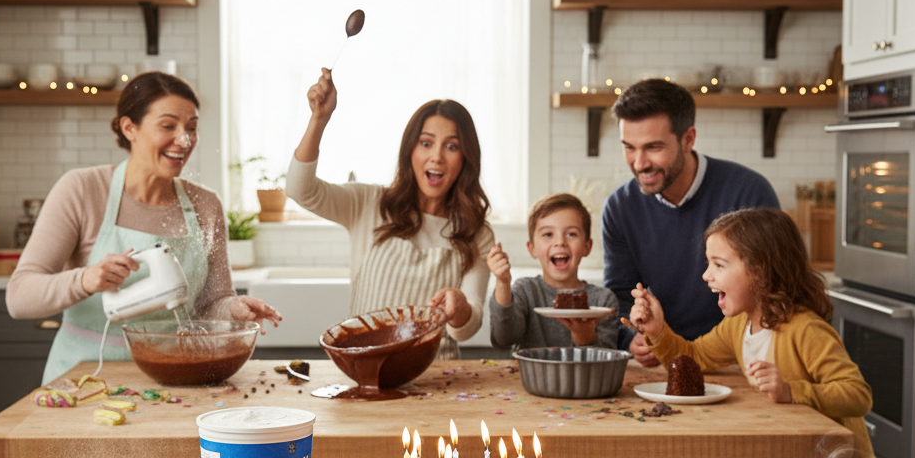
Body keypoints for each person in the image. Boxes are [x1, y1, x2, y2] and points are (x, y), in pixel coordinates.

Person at [7, 72, 281, 384]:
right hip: (83, 381)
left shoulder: (206, 205)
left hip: (176, 380)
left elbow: (210, 304)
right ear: (129, 128)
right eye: (168, 126)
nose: (185, 139)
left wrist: (233, 308)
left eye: (192, 127)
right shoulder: (83, 189)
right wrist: (85, 280)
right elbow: (19, 298)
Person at [628, 207, 881, 458]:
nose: (706, 275)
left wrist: (793, 391)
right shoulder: (738, 325)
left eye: (718, 265)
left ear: (761, 272)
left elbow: (858, 395)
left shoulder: (805, 330)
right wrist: (658, 330)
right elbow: (694, 357)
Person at [286, 68, 494, 357]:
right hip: (365, 372)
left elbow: (466, 329)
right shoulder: (368, 203)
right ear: (410, 151)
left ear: (465, 158)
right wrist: (318, 120)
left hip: (436, 382)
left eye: (451, 146)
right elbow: (300, 189)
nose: (437, 156)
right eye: (426, 143)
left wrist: (460, 307)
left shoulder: (476, 232)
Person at [602, 78, 780, 366]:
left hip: (740, 363)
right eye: (629, 148)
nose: (639, 163)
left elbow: (773, 290)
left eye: (653, 147)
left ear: (688, 139)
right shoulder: (619, 207)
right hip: (661, 361)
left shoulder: (749, 193)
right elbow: (620, 295)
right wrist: (632, 336)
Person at [488, 193, 619, 351]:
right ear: (532, 249)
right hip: (531, 376)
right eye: (548, 234)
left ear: (587, 247)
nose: (560, 242)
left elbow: (607, 359)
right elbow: (504, 339)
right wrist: (502, 282)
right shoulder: (526, 291)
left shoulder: (603, 301)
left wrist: (584, 336)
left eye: (571, 234)